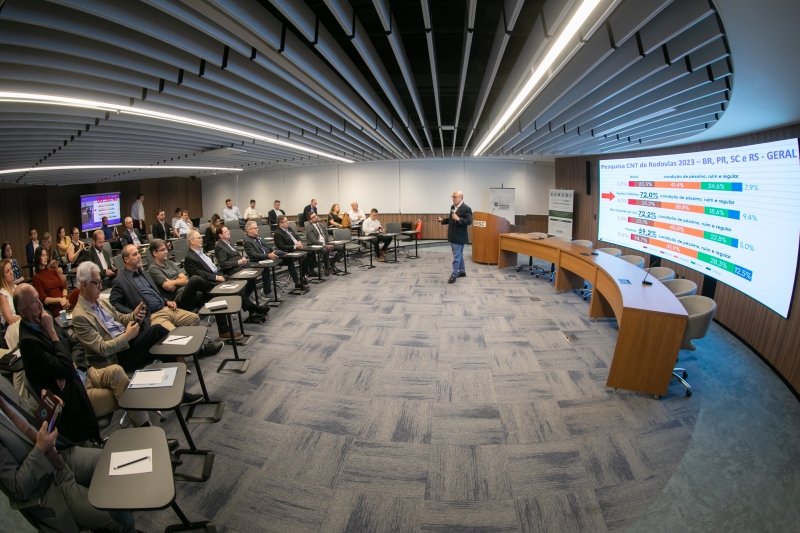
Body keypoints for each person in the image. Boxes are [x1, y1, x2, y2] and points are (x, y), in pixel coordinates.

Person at [15, 284, 152, 443]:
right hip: (76, 394)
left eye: (38, 299)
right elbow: (65, 365)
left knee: (117, 371)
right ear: (22, 311)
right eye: (33, 302)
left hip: (84, 372)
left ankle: (147, 433)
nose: (40, 305)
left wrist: (72, 363)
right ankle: (149, 437)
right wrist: (52, 334)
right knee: (127, 394)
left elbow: (76, 345)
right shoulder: (29, 341)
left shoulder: (44, 318)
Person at [0, 377, 137, 533]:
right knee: (124, 521)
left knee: (119, 464)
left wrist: (44, 407)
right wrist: (40, 448)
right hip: (49, 485)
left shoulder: (2, 382)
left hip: (62, 456)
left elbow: (25, 419)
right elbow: (18, 488)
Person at [110, 245, 222, 357]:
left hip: (166, 307)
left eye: (138, 253)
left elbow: (155, 293)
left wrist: (166, 301)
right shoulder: (120, 280)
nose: (139, 256)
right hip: (152, 315)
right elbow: (114, 304)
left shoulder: (144, 274)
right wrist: (132, 314)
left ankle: (195, 349)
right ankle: (193, 353)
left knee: (194, 319)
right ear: (126, 259)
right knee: (174, 334)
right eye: (134, 254)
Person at [148, 238, 241, 341]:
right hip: (178, 300)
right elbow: (169, 287)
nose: (166, 251)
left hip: (191, 294)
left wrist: (173, 282)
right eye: (162, 250)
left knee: (215, 295)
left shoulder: (170, 263)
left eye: (166, 249)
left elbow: (184, 280)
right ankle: (218, 284)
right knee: (195, 279)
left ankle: (224, 332)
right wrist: (178, 280)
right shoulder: (153, 269)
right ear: (154, 253)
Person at [213, 227, 270, 322]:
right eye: (226, 231)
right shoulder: (220, 246)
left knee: (260, 267)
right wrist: (239, 262)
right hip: (233, 270)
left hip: (241, 266)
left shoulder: (228, 243)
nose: (228, 232)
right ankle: (252, 307)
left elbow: (234, 256)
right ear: (220, 235)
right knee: (253, 273)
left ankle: (246, 300)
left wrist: (242, 260)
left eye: (228, 230)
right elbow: (223, 264)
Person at [243, 220, 305, 292]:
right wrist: (268, 255)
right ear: (249, 230)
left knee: (289, 260)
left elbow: (268, 247)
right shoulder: (248, 241)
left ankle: (297, 282)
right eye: (255, 228)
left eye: (257, 227)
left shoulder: (259, 238)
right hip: (260, 261)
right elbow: (253, 255)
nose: (257, 229)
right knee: (266, 268)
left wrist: (272, 251)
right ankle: (267, 292)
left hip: (270, 257)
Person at [438, 190, 473, 283]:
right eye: (452, 197)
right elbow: (451, 219)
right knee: (459, 255)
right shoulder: (453, 207)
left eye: (455, 197)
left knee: (456, 256)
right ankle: (462, 272)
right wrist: (442, 220)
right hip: (452, 235)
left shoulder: (466, 208)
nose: (453, 199)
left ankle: (454, 275)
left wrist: (459, 219)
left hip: (459, 237)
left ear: (460, 198)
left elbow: (469, 221)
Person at [273, 215, 314, 285]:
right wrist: (295, 246)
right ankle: (301, 278)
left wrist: (299, 242)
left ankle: (308, 273)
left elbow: (296, 236)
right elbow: (282, 247)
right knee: (303, 256)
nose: (288, 222)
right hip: (289, 251)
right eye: (286, 221)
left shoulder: (288, 228)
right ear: (280, 224)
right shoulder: (277, 233)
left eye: (287, 220)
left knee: (311, 251)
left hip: (297, 247)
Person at [32, 247, 70, 315]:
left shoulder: (53, 271)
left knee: (78, 292)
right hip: (54, 305)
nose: (45, 257)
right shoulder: (36, 277)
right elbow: (44, 299)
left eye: (46, 255)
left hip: (64, 299)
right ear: (38, 257)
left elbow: (63, 287)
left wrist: (64, 298)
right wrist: (59, 300)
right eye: (43, 255)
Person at [0, 260, 20, 328]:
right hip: (10, 327)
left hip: (20, 323)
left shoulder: (16, 288)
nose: (11, 273)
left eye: (11, 269)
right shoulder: (2, 294)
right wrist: (25, 319)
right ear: (2, 276)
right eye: (7, 271)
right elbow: (10, 320)